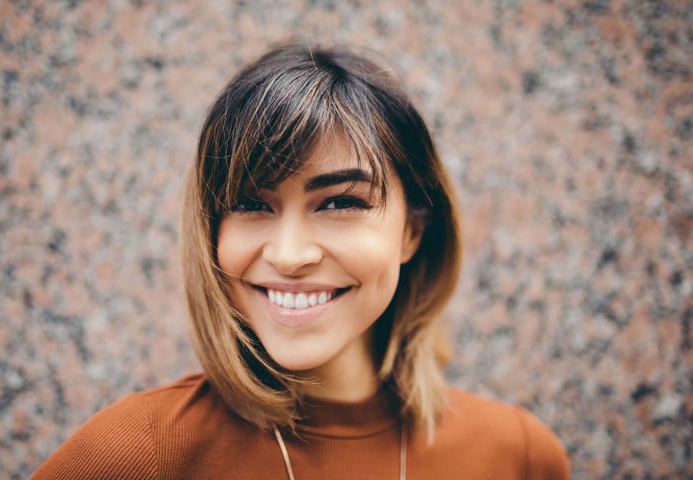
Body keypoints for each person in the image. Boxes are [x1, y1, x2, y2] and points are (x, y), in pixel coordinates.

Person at [32, 42, 569, 479]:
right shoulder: (139, 455)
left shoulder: (519, 458)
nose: (289, 256)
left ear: (411, 232)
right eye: (249, 203)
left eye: (341, 203)